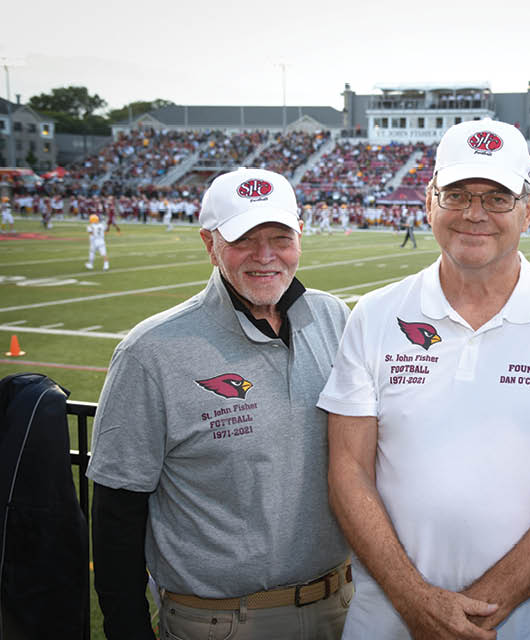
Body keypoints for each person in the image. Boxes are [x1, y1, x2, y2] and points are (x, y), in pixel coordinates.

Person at [318, 118, 530, 640]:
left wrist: (475, 612)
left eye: (497, 197)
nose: (475, 214)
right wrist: (416, 603)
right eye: (457, 194)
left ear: (529, 209)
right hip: (391, 623)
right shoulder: (374, 314)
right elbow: (348, 471)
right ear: (429, 202)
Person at [87, 168, 353, 640]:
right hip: (220, 622)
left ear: (300, 236)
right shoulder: (150, 351)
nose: (265, 255)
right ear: (209, 244)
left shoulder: (335, 319)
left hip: (340, 607)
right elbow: (117, 512)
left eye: (279, 237)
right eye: (244, 239)